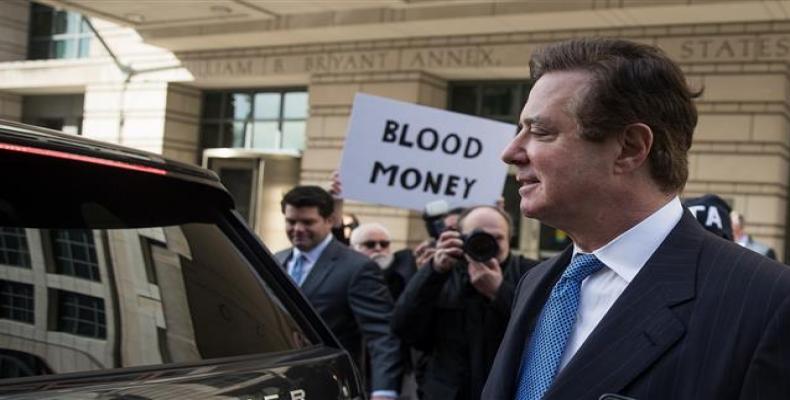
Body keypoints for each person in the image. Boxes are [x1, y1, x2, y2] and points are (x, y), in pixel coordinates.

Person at [483, 38, 790, 400]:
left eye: (540, 132)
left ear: (630, 148)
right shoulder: (537, 283)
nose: (510, 152)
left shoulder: (767, 302)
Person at [392, 205, 538, 400]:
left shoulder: (531, 274)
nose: (487, 243)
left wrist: (499, 292)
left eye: (497, 238)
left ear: (509, 239)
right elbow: (403, 327)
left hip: (508, 392)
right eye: (477, 235)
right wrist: (433, 272)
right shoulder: (442, 272)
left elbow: (542, 330)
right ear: (460, 238)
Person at [274, 186, 402, 400]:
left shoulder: (357, 267)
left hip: (331, 387)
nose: (297, 229)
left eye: (307, 222)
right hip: (279, 386)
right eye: (291, 221)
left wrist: (384, 391)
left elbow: (382, 336)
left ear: (330, 220)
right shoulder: (276, 260)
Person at [350, 222, 417, 300]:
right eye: (370, 244)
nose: (378, 248)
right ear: (353, 248)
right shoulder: (345, 275)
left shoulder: (404, 275)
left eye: (384, 244)